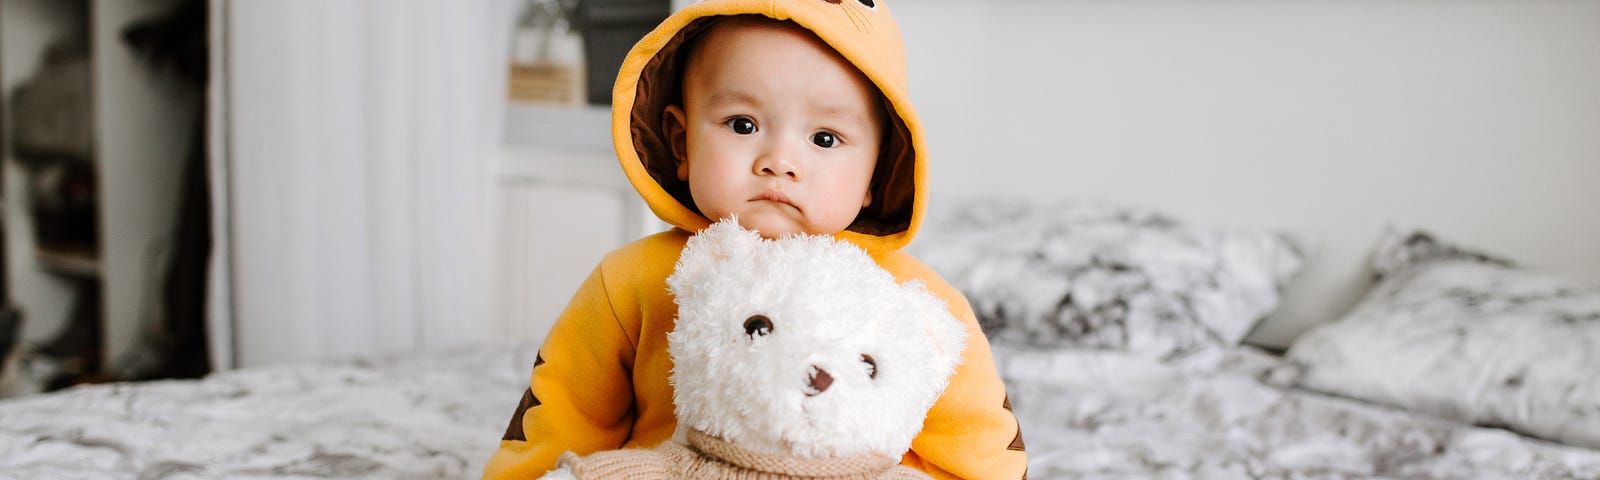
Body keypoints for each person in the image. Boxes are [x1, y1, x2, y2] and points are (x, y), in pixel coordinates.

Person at [482, 1, 1027, 478]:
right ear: (681, 142)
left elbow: (979, 449)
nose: (780, 162)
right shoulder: (633, 281)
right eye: (743, 125)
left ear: (876, 175)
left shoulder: (916, 306)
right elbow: (559, 417)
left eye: (824, 138)